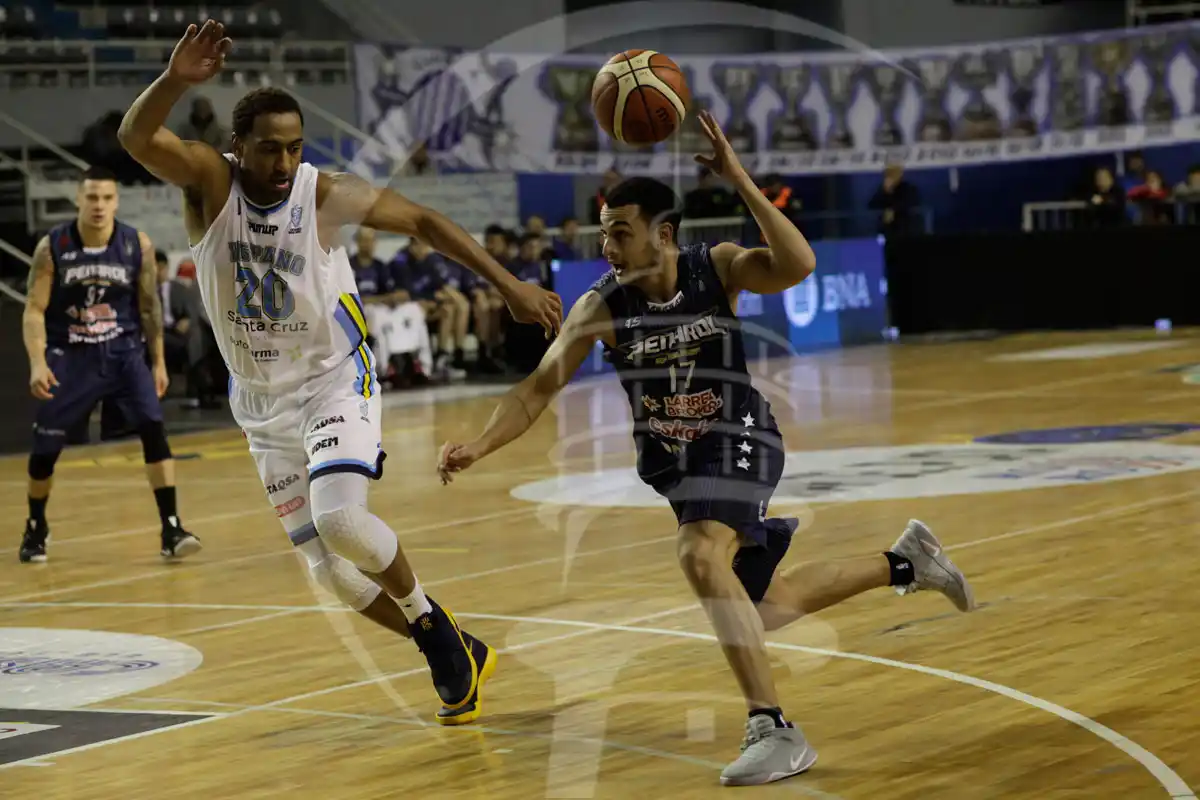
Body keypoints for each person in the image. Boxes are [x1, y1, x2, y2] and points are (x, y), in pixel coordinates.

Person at [437, 110, 975, 785]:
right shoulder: (600, 308)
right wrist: (480, 443)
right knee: (766, 608)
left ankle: (773, 727)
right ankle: (905, 562)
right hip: (680, 467)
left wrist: (738, 177)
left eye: (620, 233)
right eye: (602, 233)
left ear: (663, 235)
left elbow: (798, 263)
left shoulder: (714, 268)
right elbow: (535, 391)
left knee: (698, 553)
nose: (606, 247)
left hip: (742, 437)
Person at [118, 20, 562, 725]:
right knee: (329, 571)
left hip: (333, 380)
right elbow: (136, 141)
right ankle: (448, 642)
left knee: (344, 521)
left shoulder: (323, 194)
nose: (286, 162)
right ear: (240, 148)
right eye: (271, 149)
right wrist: (175, 81)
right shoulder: (210, 180)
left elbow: (424, 222)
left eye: (296, 146)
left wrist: (508, 284)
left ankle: (433, 631)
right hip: (260, 404)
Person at [20, 166, 200, 563]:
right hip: (71, 355)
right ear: (79, 200)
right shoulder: (54, 246)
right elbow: (34, 310)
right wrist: (37, 361)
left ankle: (171, 526)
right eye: (91, 198)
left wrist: (158, 361)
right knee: (45, 448)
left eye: (106, 198)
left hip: (123, 353)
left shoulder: (138, 245)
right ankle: (36, 525)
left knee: (154, 428)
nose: (99, 205)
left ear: (116, 201)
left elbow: (149, 307)